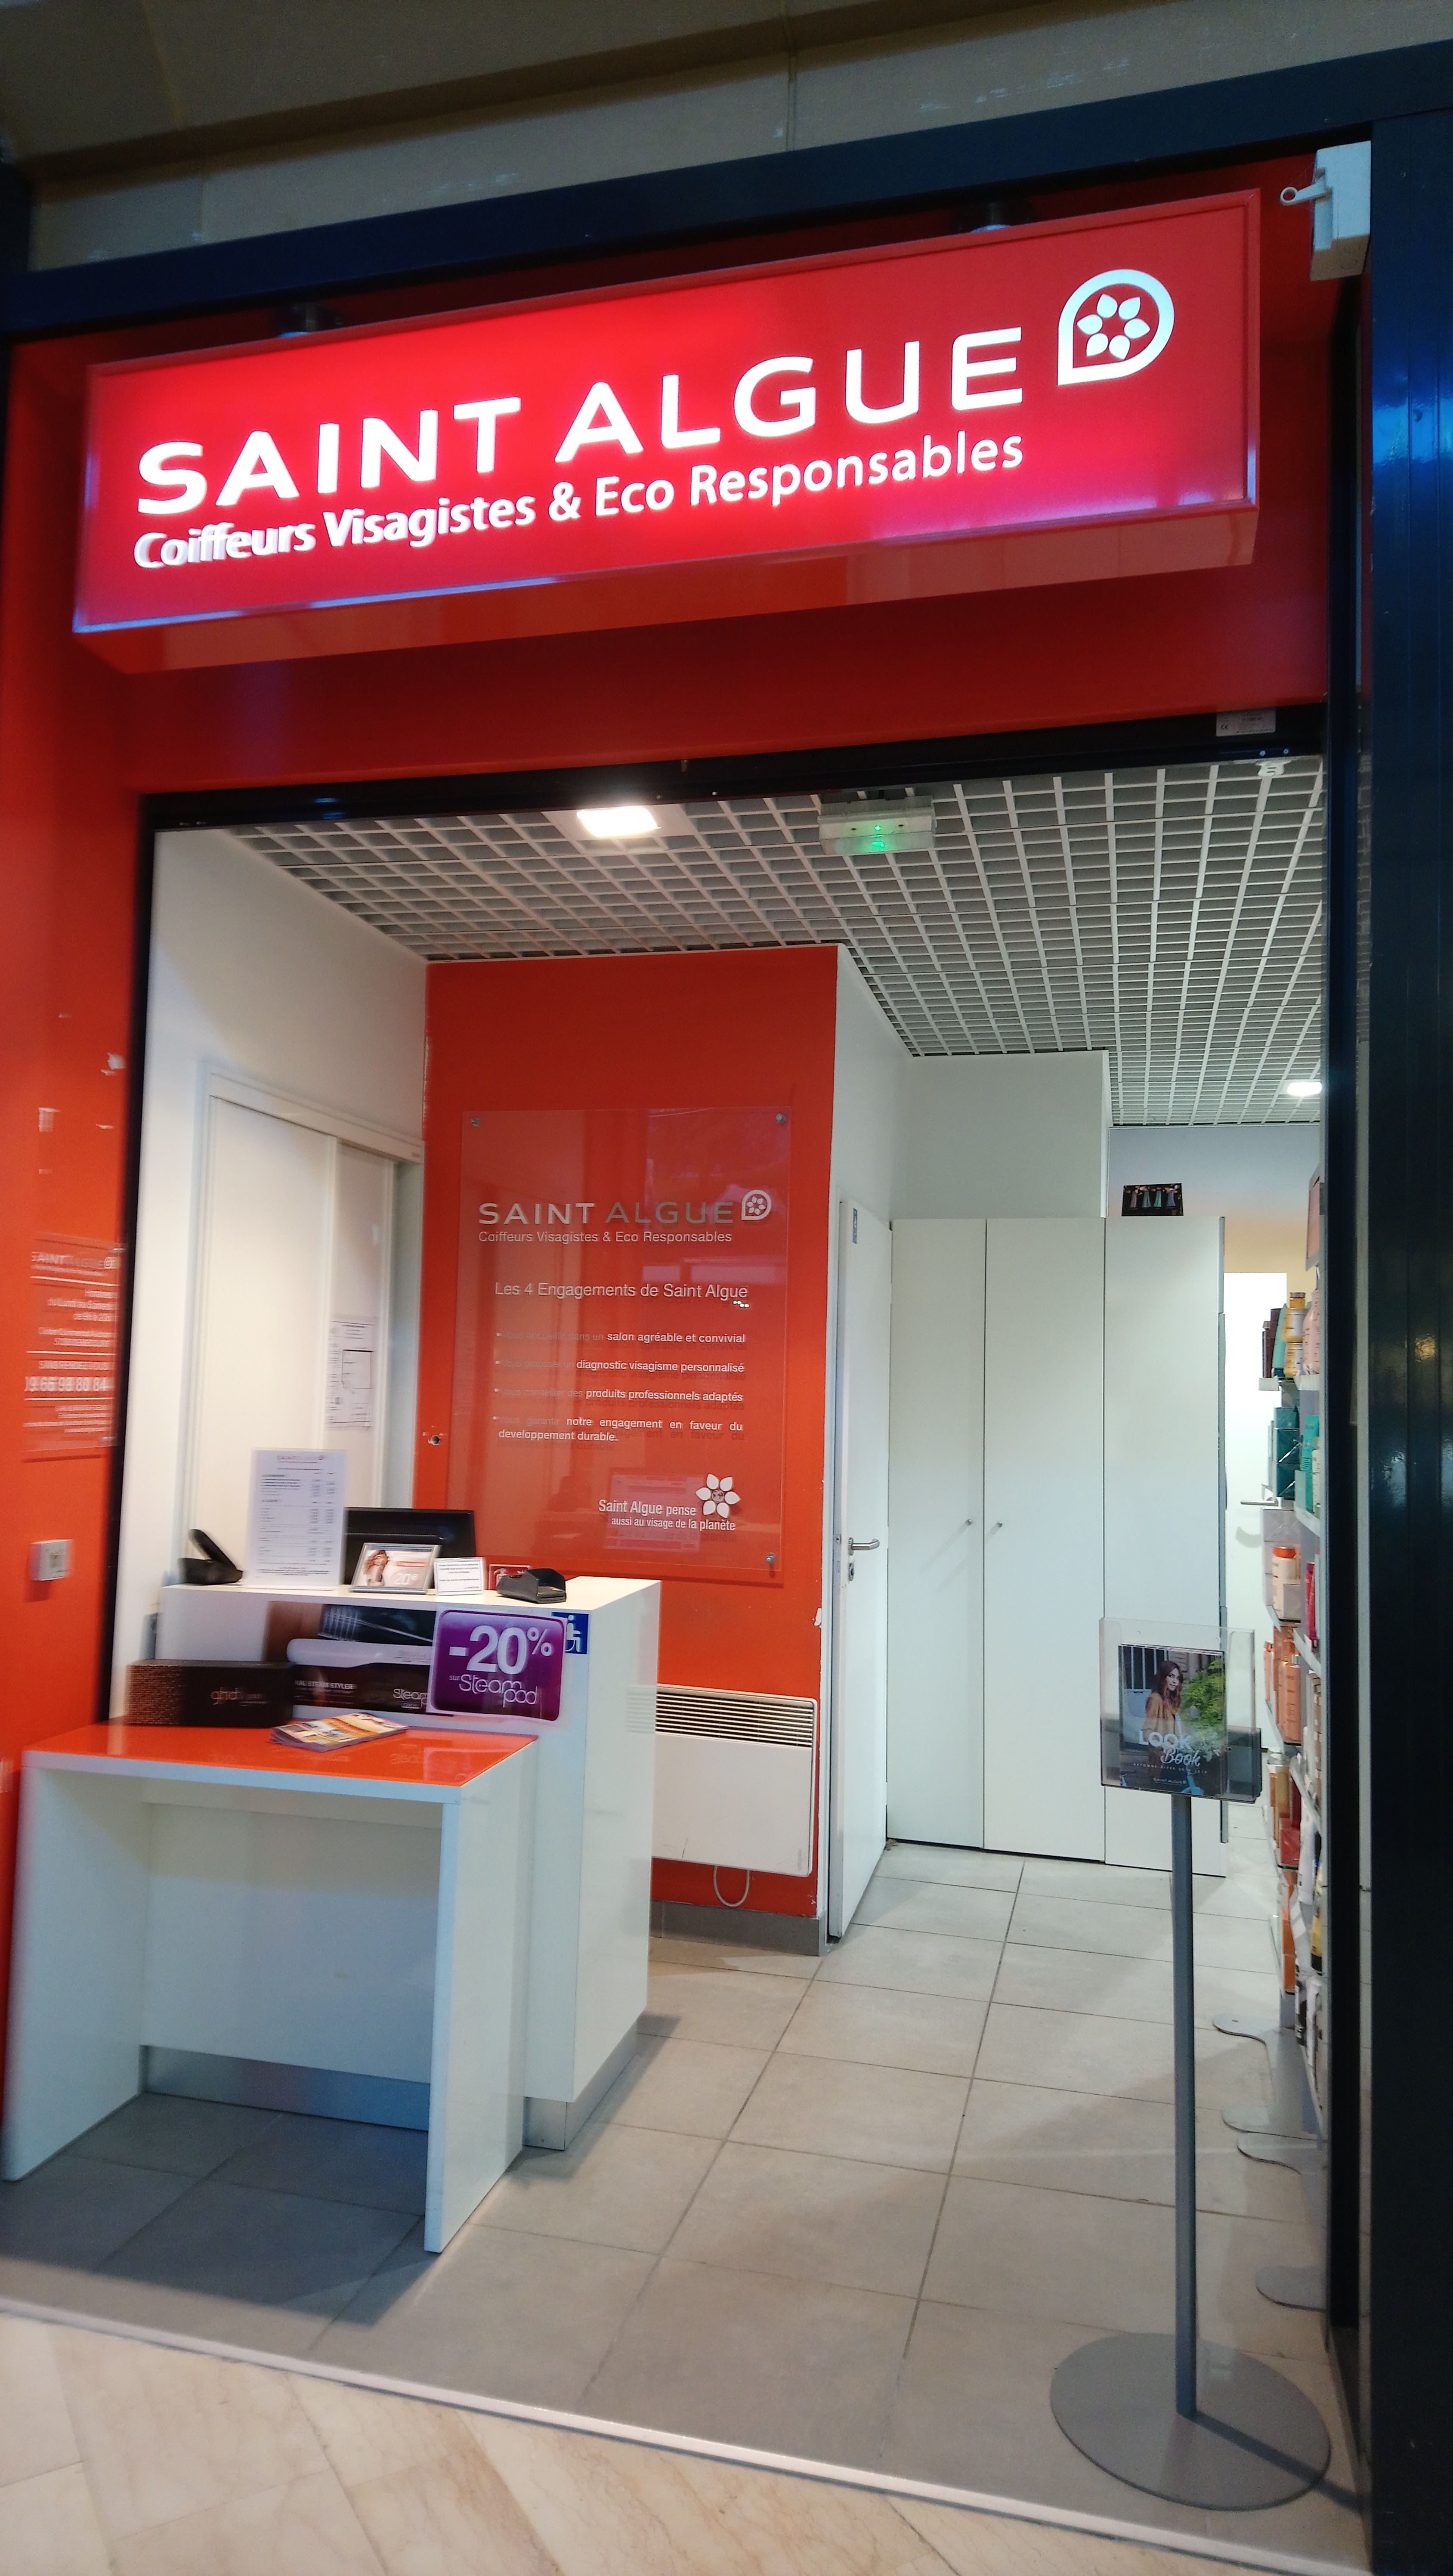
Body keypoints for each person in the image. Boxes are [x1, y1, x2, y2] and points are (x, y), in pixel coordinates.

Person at [1144, 1659, 1185, 1743]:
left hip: (1177, 1749)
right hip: (1163, 1749)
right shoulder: (1155, 1699)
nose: (1175, 1682)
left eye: (1178, 1678)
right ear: (1163, 1677)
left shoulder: (1173, 1701)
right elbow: (1147, 1732)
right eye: (1171, 1676)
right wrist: (1161, 1745)